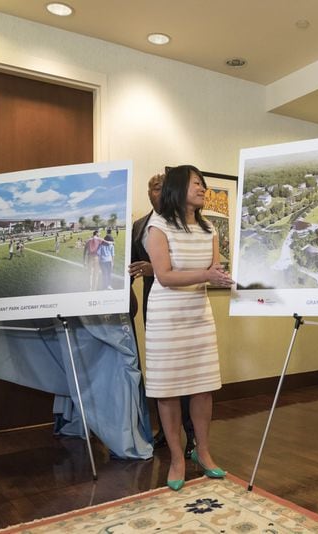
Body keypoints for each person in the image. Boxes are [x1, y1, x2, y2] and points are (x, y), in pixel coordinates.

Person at [144, 165, 233, 491]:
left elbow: (213, 268)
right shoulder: (158, 226)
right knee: (168, 389)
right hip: (167, 317)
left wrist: (221, 275)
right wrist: (207, 276)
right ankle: (178, 458)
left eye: (204, 184)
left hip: (198, 315)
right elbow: (164, 276)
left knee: (202, 386)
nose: (203, 189)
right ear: (179, 187)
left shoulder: (210, 229)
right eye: (198, 183)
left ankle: (203, 453)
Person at [130, 173, 195, 456]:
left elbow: (189, 265)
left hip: (183, 304)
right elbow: (132, 266)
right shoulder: (138, 226)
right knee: (161, 371)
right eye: (152, 188)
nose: (156, 192)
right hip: (152, 304)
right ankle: (165, 434)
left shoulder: (185, 225)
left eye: (161, 188)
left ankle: (192, 436)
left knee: (188, 373)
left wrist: (153, 269)